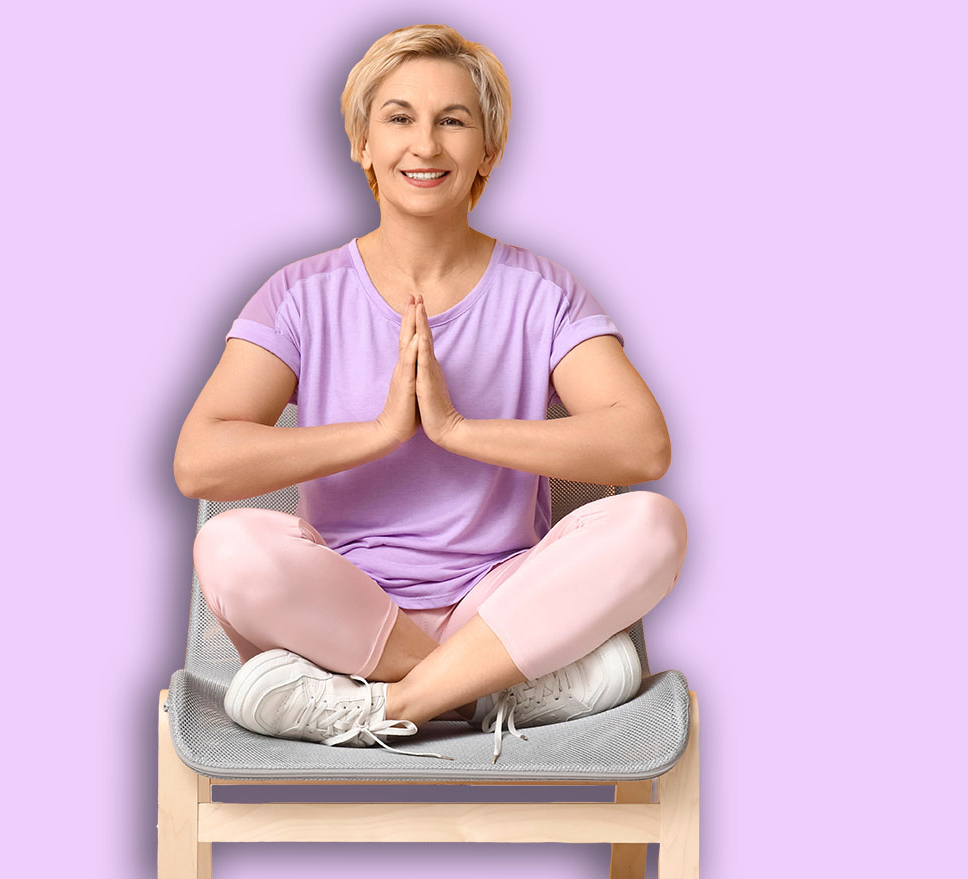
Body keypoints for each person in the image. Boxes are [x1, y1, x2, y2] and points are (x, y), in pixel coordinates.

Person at [173, 24, 688, 762]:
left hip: (501, 602)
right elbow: (201, 460)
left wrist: (456, 428)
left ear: (489, 150)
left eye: (454, 121)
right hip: (348, 612)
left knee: (653, 524)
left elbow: (642, 445)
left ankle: (394, 705)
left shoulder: (543, 291)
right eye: (399, 117)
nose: (425, 145)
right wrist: (381, 431)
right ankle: (486, 690)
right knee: (229, 544)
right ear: (363, 145)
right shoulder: (298, 293)